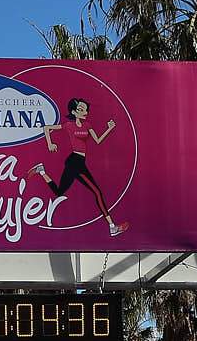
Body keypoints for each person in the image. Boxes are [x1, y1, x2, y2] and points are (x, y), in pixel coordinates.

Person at [28, 96, 128, 237]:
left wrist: (109, 129)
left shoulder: (88, 125)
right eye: (81, 109)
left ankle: (41, 170)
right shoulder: (69, 125)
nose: (84, 111)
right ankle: (112, 227)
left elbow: (98, 140)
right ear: (74, 112)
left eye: (85, 109)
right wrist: (49, 143)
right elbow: (47, 128)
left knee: (59, 192)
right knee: (97, 192)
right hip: (74, 161)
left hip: (79, 162)